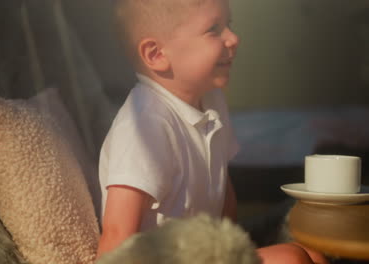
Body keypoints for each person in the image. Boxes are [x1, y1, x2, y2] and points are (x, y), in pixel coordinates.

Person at [97, 0, 329, 263]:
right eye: (214, 29)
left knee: (313, 254)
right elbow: (117, 233)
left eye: (228, 25)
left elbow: (223, 189)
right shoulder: (144, 124)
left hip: (209, 252)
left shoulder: (212, 99)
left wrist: (236, 249)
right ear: (156, 54)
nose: (233, 38)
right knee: (292, 258)